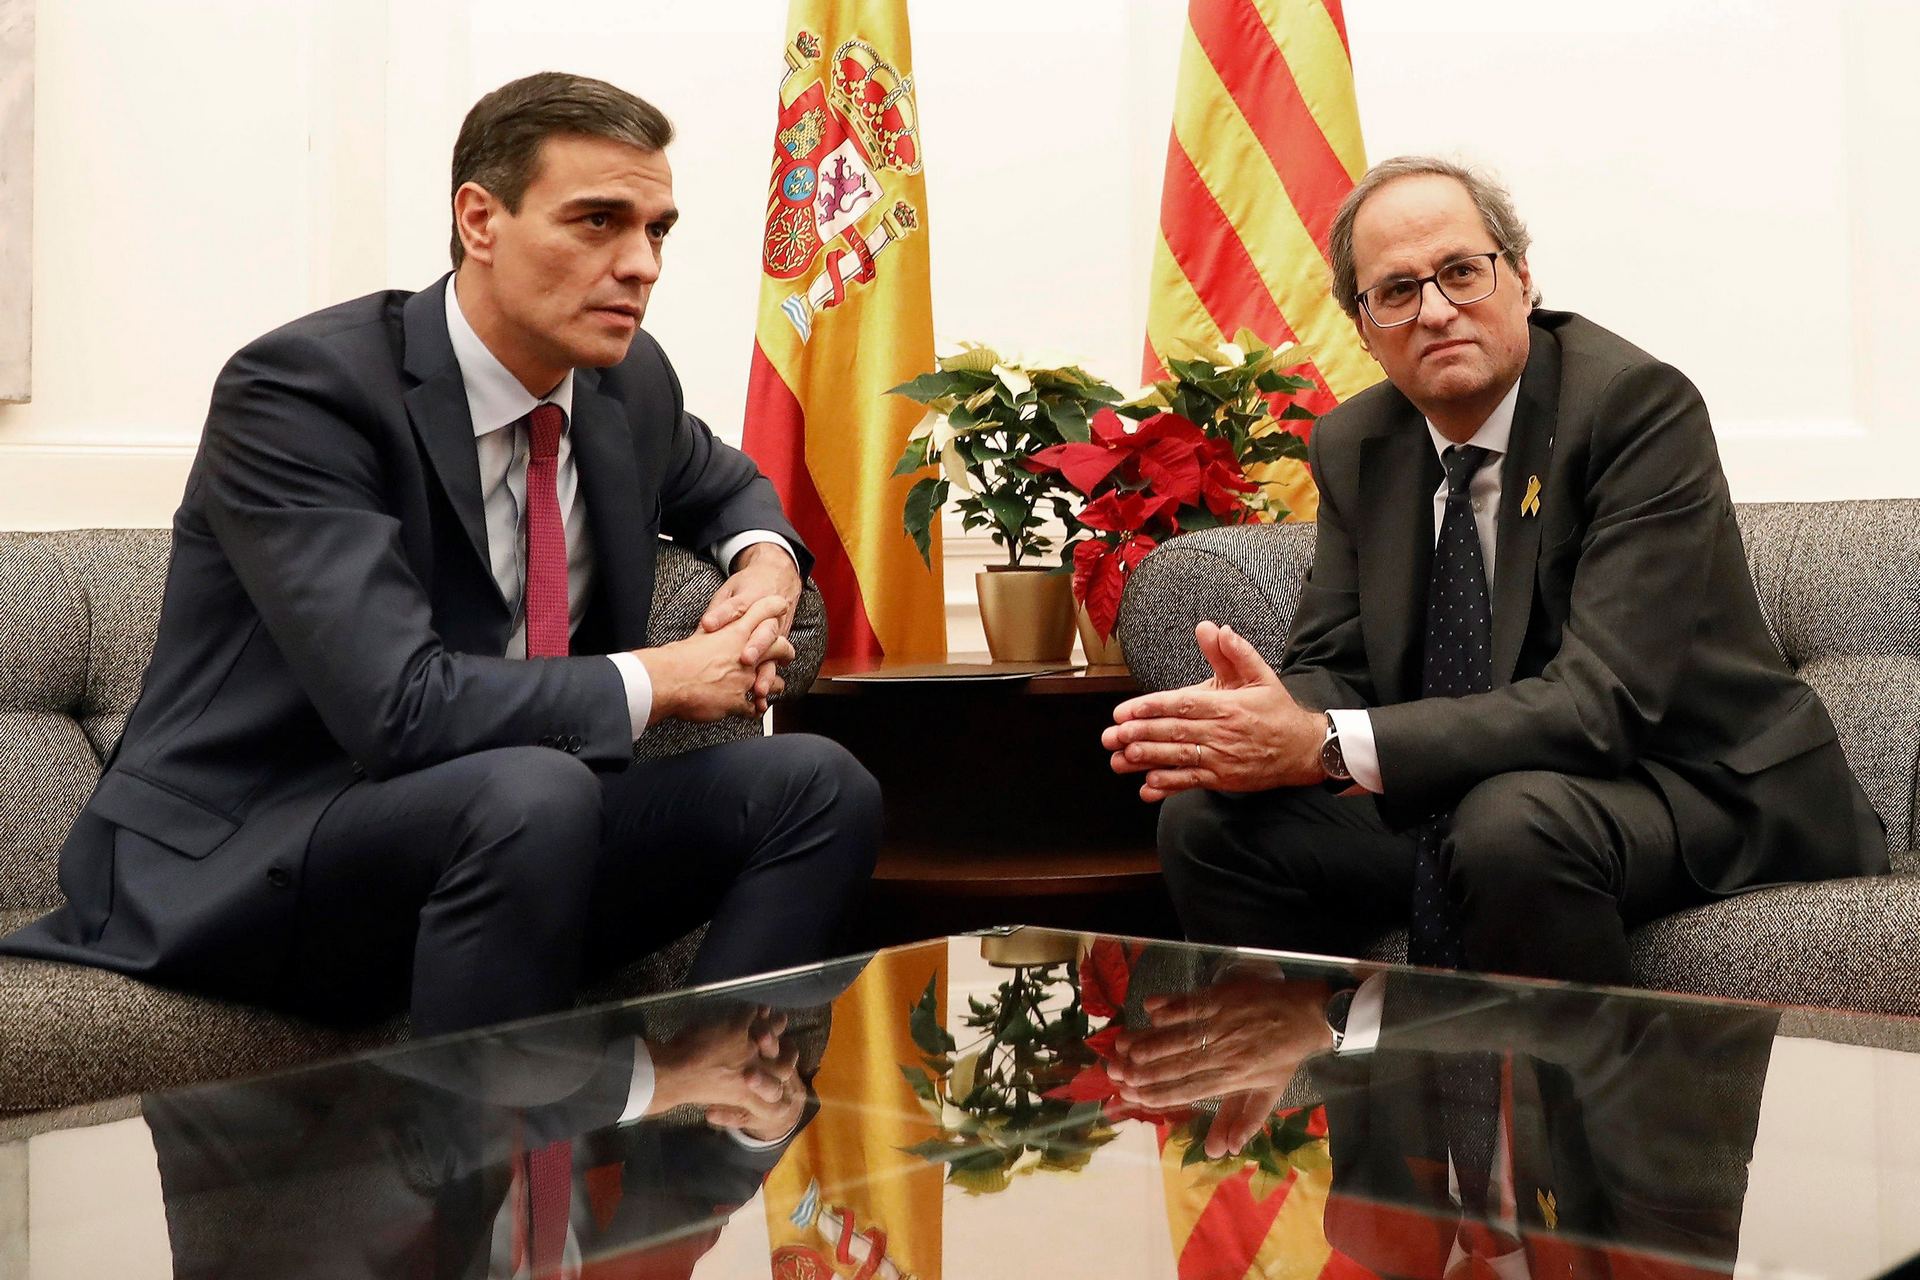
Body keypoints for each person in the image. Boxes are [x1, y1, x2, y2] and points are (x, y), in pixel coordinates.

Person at [0, 72, 880, 1036]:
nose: (641, 265)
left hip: (513, 836)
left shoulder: (627, 384)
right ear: (479, 220)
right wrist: (667, 677)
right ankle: (486, 1165)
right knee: (534, 789)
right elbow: (400, 708)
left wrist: (767, 561)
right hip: (261, 846)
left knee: (817, 784)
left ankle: (707, 1123)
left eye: (657, 229)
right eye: (597, 222)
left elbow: (727, 485)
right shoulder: (304, 392)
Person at [1103, 155, 1886, 985]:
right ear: (1363, 329)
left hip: (1700, 786)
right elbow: (1336, 665)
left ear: (1521, 279)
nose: (1436, 312)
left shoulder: (1635, 409)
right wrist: (1264, 720)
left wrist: (1328, 746)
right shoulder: (1357, 444)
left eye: (1461, 274)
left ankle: (1607, 1120)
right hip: (1490, 797)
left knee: (1509, 827)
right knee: (1207, 824)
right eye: (1397, 292)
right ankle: (1332, 1098)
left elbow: (1597, 709)